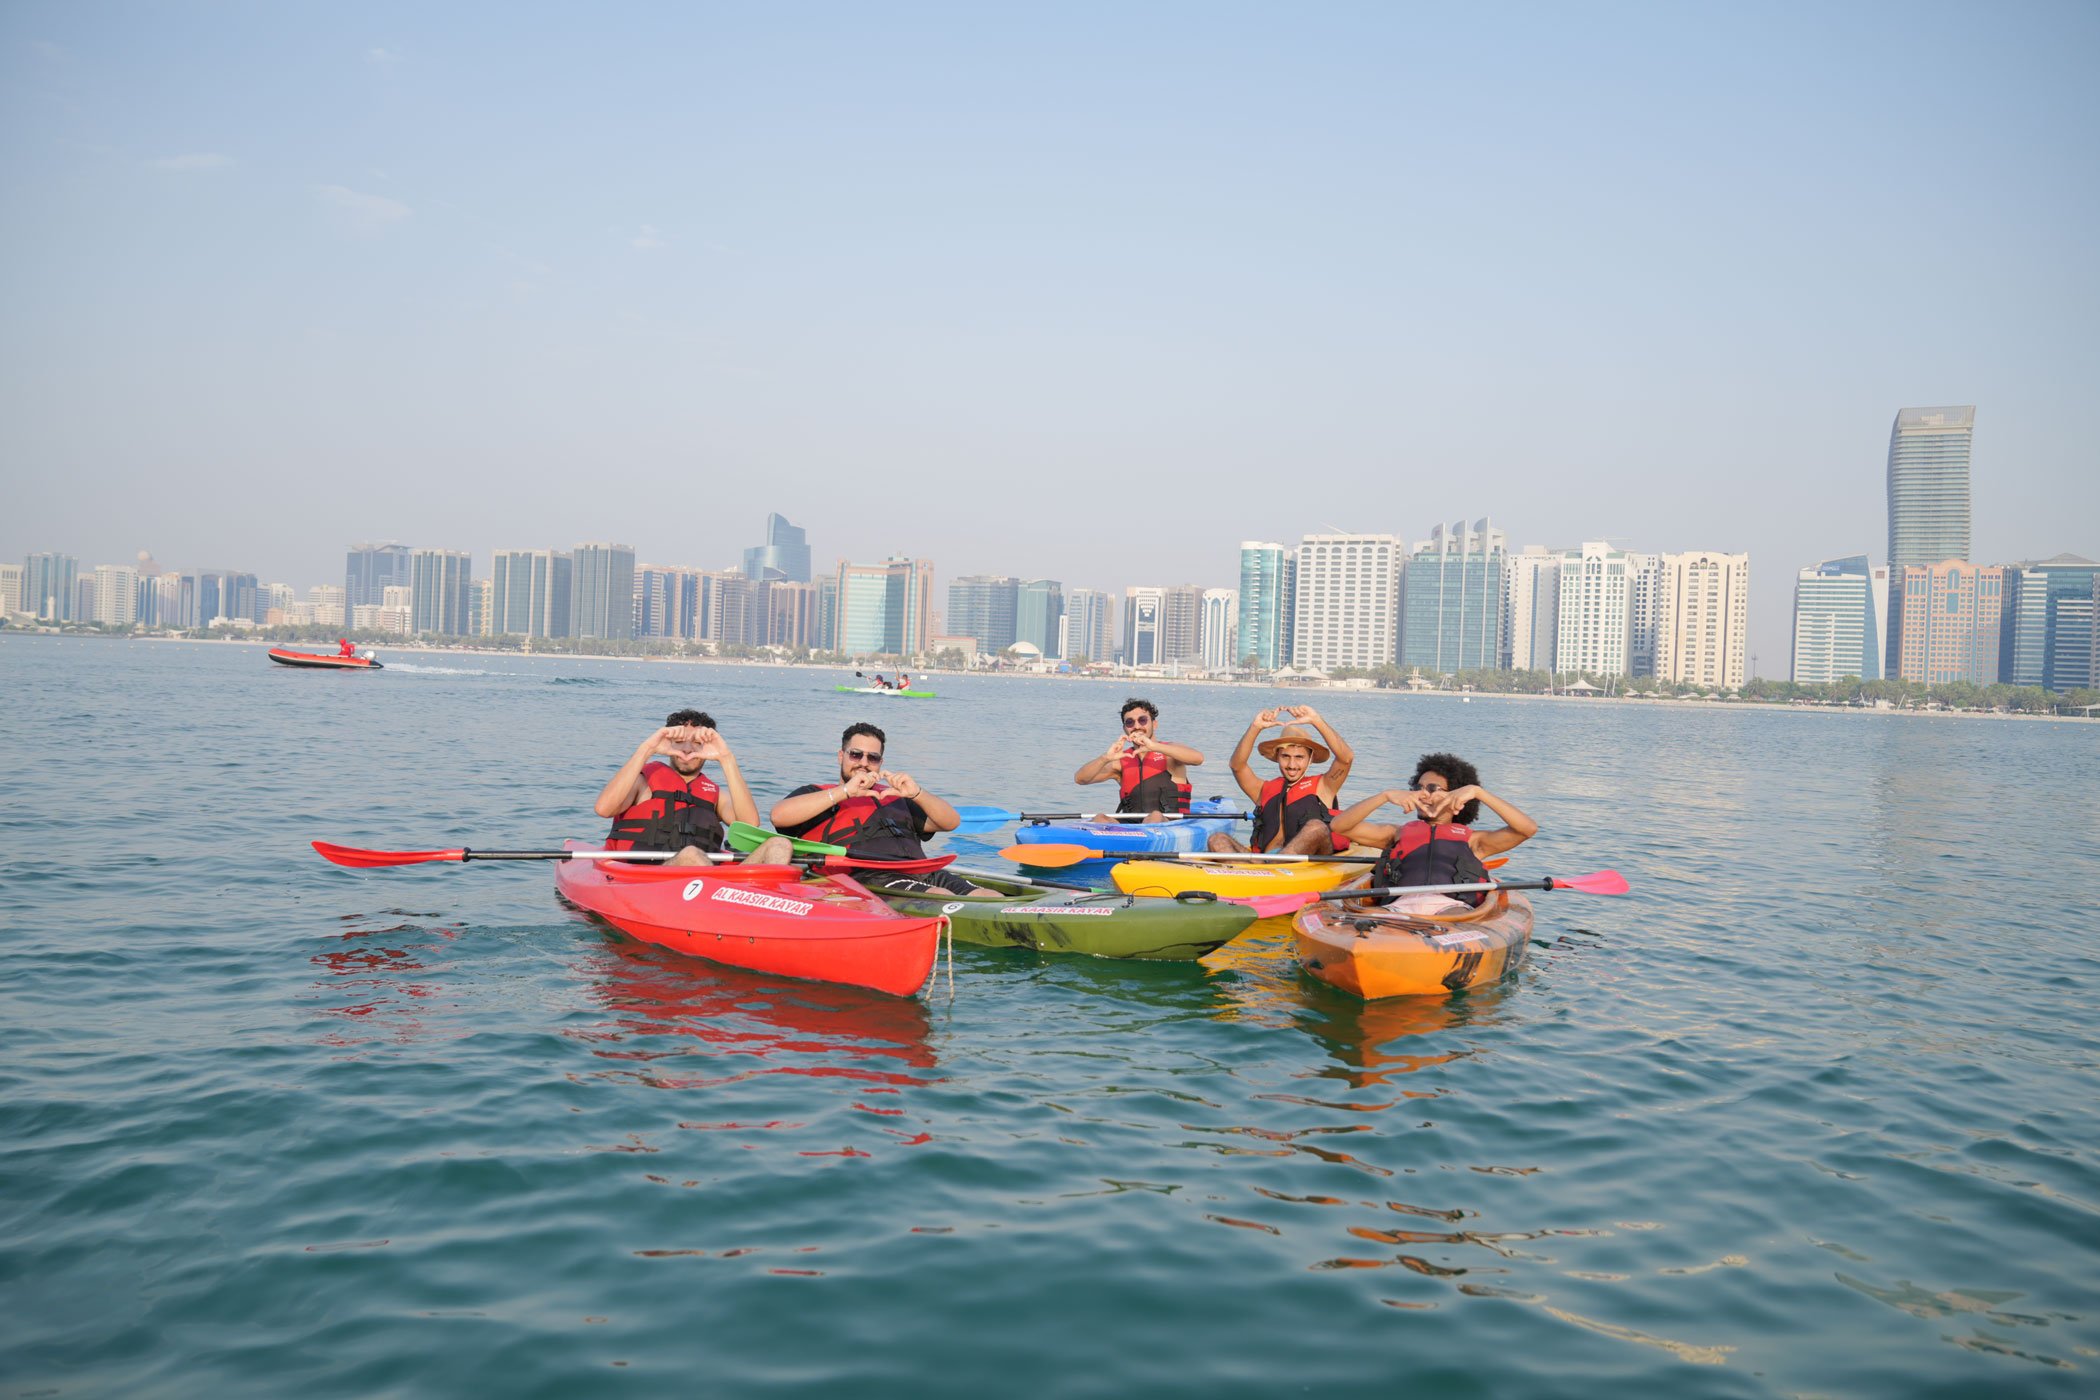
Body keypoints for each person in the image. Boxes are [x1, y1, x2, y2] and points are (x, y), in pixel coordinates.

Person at [769, 722, 991, 894]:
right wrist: (845, 792)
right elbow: (778, 816)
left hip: (923, 870)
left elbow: (951, 822)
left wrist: (917, 794)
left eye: (872, 757)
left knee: (986, 895)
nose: (863, 762)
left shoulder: (895, 797)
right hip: (869, 877)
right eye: (856, 754)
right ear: (841, 756)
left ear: (880, 763)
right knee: (938, 894)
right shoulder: (818, 795)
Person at [1328, 752, 1537, 908]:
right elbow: (1339, 826)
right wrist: (1384, 796)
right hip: (1398, 908)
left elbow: (1527, 829)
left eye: (1432, 789)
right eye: (1418, 788)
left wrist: (1477, 793)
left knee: (1450, 917)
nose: (1422, 794)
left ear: (1456, 795)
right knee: (1370, 918)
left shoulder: (1474, 841)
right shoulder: (1396, 833)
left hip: (1452, 910)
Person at [593, 710, 790, 867]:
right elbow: (604, 809)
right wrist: (647, 749)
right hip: (645, 876)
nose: (687, 749)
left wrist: (726, 758)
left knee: (779, 844)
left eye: (697, 743)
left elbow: (750, 824)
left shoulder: (715, 795)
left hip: (708, 882)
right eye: (679, 742)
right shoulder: (642, 782)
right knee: (691, 855)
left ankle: (774, 906)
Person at [1206, 706, 1354, 854]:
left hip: (1309, 863)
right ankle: (1253, 872)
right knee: (1217, 839)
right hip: (1264, 863)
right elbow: (1237, 766)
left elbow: (1345, 759)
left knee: (1316, 827)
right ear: (1277, 757)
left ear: (1310, 759)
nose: (1291, 765)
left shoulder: (1324, 786)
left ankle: (1276, 865)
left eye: (1299, 757)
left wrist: (1316, 720)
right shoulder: (1262, 790)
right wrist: (1255, 727)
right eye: (1285, 757)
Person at [1072, 698, 1205, 822]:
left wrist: (1153, 746)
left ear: (1154, 724)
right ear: (1125, 729)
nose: (1136, 726)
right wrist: (1105, 758)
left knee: (1155, 816)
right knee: (1100, 818)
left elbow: (1198, 759)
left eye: (1142, 720)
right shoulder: (1121, 760)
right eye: (1129, 722)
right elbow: (1080, 779)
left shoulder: (1170, 752)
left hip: (1168, 824)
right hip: (1131, 826)